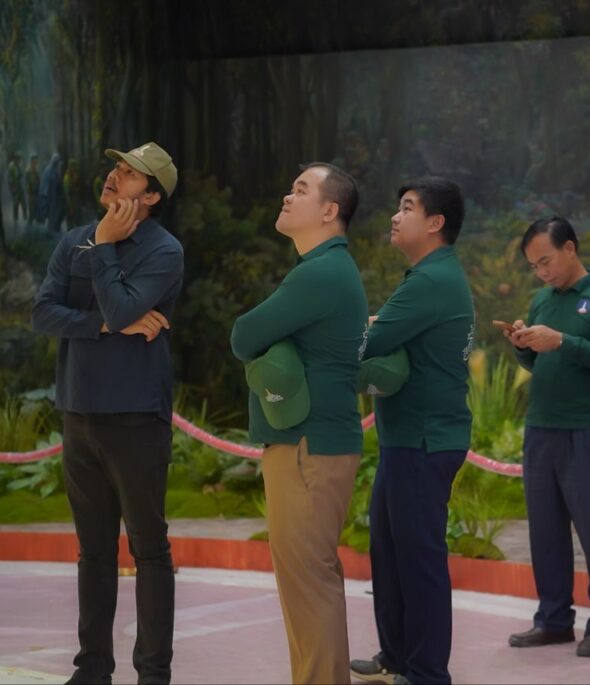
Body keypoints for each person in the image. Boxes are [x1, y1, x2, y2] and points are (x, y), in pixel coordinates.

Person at [31, 142, 182, 685]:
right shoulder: (73, 239)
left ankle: (153, 675)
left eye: (129, 173)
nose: (114, 176)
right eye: (116, 167)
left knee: (149, 549)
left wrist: (105, 250)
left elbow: (121, 308)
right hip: (78, 412)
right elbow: (44, 313)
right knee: (93, 551)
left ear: (152, 196)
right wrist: (99, 324)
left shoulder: (164, 251)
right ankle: (92, 669)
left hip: (136, 416)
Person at [230, 162, 368, 685]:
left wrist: (275, 341)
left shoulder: (320, 273)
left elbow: (244, 335)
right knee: (308, 581)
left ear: (330, 211)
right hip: (315, 444)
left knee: (308, 584)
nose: (288, 196)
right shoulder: (327, 269)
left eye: (301, 190)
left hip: (307, 446)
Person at [350, 177, 474, 685]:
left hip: (424, 439)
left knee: (418, 560)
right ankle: (398, 656)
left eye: (407, 208)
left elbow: (367, 344)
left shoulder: (431, 281)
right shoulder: (428, 276)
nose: (395, 217)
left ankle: (427, 672)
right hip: (407, 438)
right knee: (389, 552)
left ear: (436, 222)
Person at [502, 216, 590, 658]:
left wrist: (561, 341)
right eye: (534, 266)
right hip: (541, 427)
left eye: (546, 261)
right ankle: (553, 619)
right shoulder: (542, 300)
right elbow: (538, 364)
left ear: (570, 248)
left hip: (583, 428)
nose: (542, 273)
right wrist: (523, 345)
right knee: (545, 530)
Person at [37, 153, 66, 233]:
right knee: (52, 218)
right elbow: (45, 188)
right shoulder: (48, 172)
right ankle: (51, 232)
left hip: (56, 200)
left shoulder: (55, 172)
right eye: (57, 163)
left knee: (57, 217)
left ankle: (55, 231)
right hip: (51, 200)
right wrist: (45, 201)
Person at [7, 151, 27, 225]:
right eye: (18, 159)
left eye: (20, 159)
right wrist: (12, 188)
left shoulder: (19, 165)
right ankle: (15, 220)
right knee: (15, 205)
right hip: (15, 188)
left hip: (20, 187)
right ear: (15, 159)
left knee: (24, 203)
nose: (19, 160)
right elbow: (10, 179)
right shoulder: (11, 167)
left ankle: (25, 218)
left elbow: (21, 175)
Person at [26, 154, 41, 225]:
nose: (36, 163)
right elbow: (27, 184)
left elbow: (38, 182)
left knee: (36, 211)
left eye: (36, 161)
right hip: (32, 194)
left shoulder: (36, 171)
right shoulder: (28, 171)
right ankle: (29, 226)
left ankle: (36, 226)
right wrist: (30, 194)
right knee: (32, 212)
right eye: (35, 161)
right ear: (32, 161)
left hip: (36, 193)